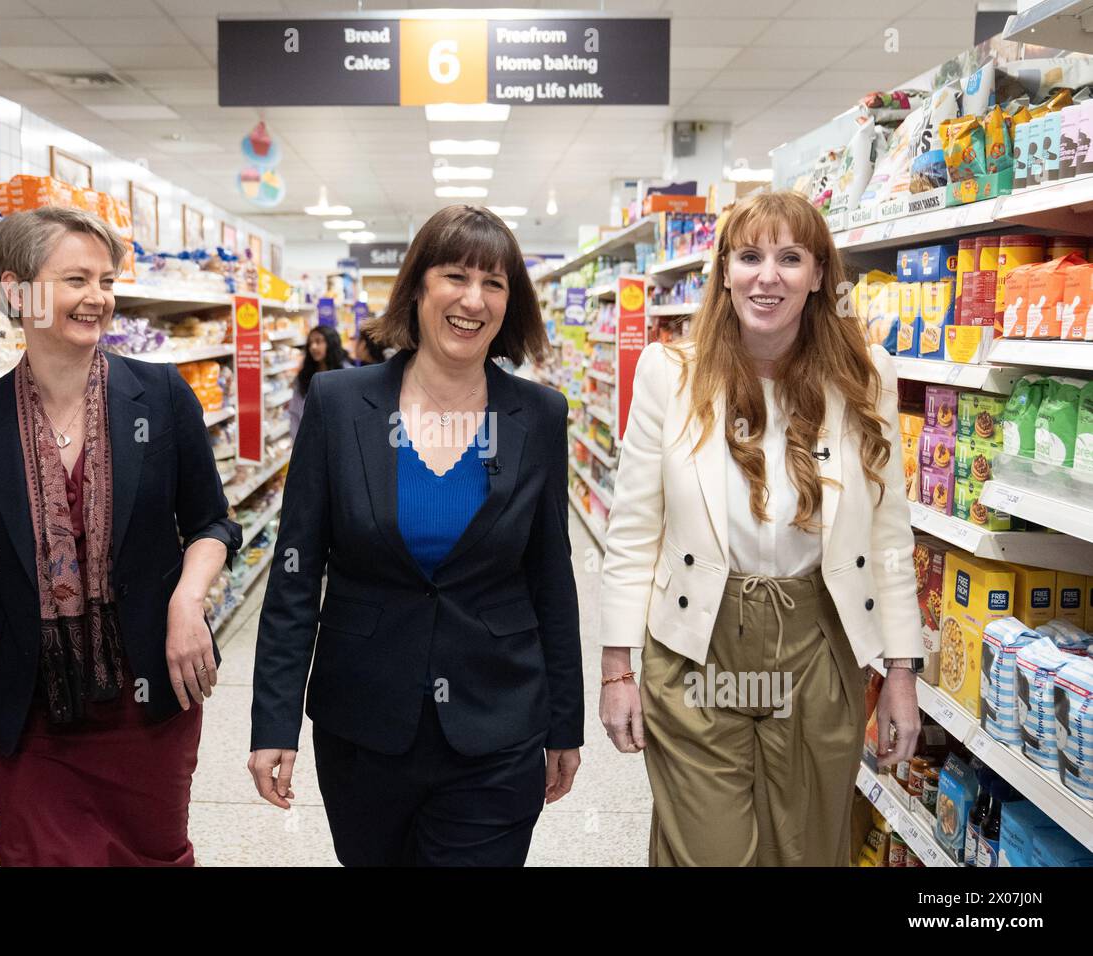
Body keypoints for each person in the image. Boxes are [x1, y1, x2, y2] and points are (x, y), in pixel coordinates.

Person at [249, 204, 584, 866]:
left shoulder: (537, 415)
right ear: (418, 287)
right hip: (365, 724)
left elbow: (551, 575)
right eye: (454, 275)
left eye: (494, 283)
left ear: (511, 302)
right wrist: (273, 721)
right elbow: (294, 572)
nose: (472, 299)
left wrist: (564, 723)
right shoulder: (341, 405)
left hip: (499, 721)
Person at [597, 190, 922, 867]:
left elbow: (888, 536)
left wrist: (901, 674)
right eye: (749, 256)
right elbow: (632, 531)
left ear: (818, 275)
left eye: (789, 257)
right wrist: (615, 668)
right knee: (707, 851)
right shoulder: (669, 374)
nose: (766, 276)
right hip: (697, 643)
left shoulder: (867, 376)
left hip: (818, 643)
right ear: (722, 271)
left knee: (804, 849)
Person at [0, 206, 242, 866]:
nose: (98, 298)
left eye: (106, 281)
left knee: (151, 856)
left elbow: (213, 523)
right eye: (77, 279)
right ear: (17, 291)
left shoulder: (160, 397)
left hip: (146, 706)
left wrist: (187, 601)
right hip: (32, 714)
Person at [288, 324, 352, 438]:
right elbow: (294, 413)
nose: (313, 347)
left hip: (339, 439)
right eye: (310, 343)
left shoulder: (348, 374)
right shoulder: (303, 377)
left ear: (331, 343)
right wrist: (297, 444)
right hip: (309, 441)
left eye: (318, 341)